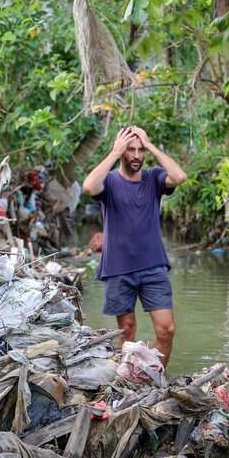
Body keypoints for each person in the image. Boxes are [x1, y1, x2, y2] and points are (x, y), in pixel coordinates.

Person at [82, 126, 187, 366]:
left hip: (153, 266)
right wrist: (114, 152)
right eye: (131, 150)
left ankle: (155, 375)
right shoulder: (108, 182)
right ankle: (131, 378)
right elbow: (88, 187)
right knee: (127, 331)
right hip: (119, 268)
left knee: (166, 329)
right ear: (121, 152)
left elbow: (180, 177)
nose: (137, 156)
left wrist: (150, 145)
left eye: (141, 150)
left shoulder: (154, 178)